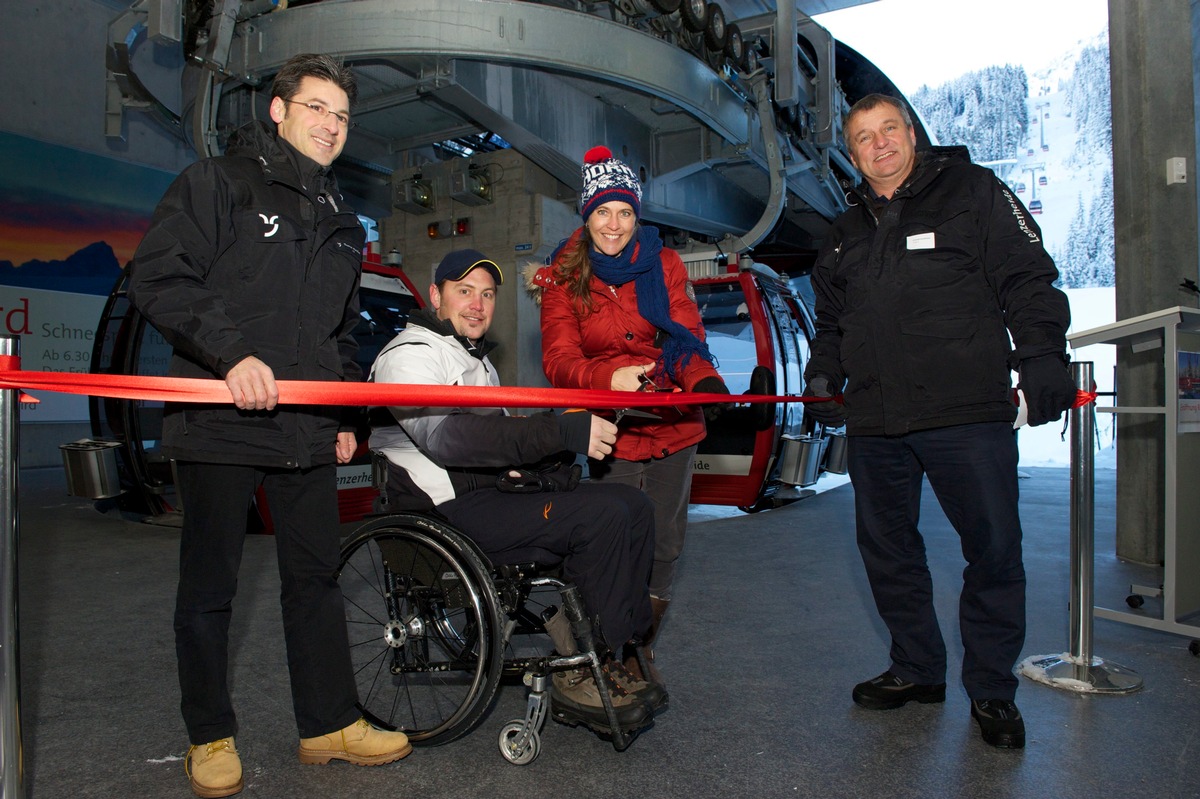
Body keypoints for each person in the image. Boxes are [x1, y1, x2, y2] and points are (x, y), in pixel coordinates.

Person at [128, 53, 411, 798]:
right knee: (210, 586)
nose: (330, 125)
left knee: (315, 579)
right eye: (317, 108)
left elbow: (343, 334)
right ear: (280, 111)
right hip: (220, 417)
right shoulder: (218, 182)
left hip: (306, 430)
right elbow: (158, 274)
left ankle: (328, 725)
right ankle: (208, 734)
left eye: (342, 116)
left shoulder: (345, 223)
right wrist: (231, 355)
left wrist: (346, 411)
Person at [802, 93, 1076, 750]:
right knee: (888, 552)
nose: (880, 144)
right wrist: (821, 373)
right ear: (854, 151)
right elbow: (833, 323)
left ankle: (991, 687)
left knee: (993, 549)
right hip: (876, 421)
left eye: (889, 128)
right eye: (864, 136)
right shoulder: (843, 233)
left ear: (911, 133)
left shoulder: (972, 191)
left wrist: (1041, 352)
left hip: (964, 413)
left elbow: (1027, 277)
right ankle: (917, 668)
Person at [370, 248, 665, 735]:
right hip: (442, 512)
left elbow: (504, 438)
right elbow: (449, 440)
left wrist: (561, 436)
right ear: (436, 296)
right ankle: (580, 668)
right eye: (464, 292)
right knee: (602, 515)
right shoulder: (409, 356)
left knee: (633, 505)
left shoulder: (476, 362)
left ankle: (611, 652)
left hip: (488, 497)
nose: (477, 304)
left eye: (487, 295)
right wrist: (558, 433)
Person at [530, 146, 729, 684]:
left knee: (665, 543)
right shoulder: (559, 278)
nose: (614, 225)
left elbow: (686, 333)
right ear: (586, 214)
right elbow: (558, 361)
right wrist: (607, 379)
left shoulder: (663, 264)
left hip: (672, 426)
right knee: (608, 543)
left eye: (624, 212)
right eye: (602, 212)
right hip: (609, 430)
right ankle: (603, 647)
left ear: (636, 216)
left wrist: (703, 380)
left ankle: (639, 649)